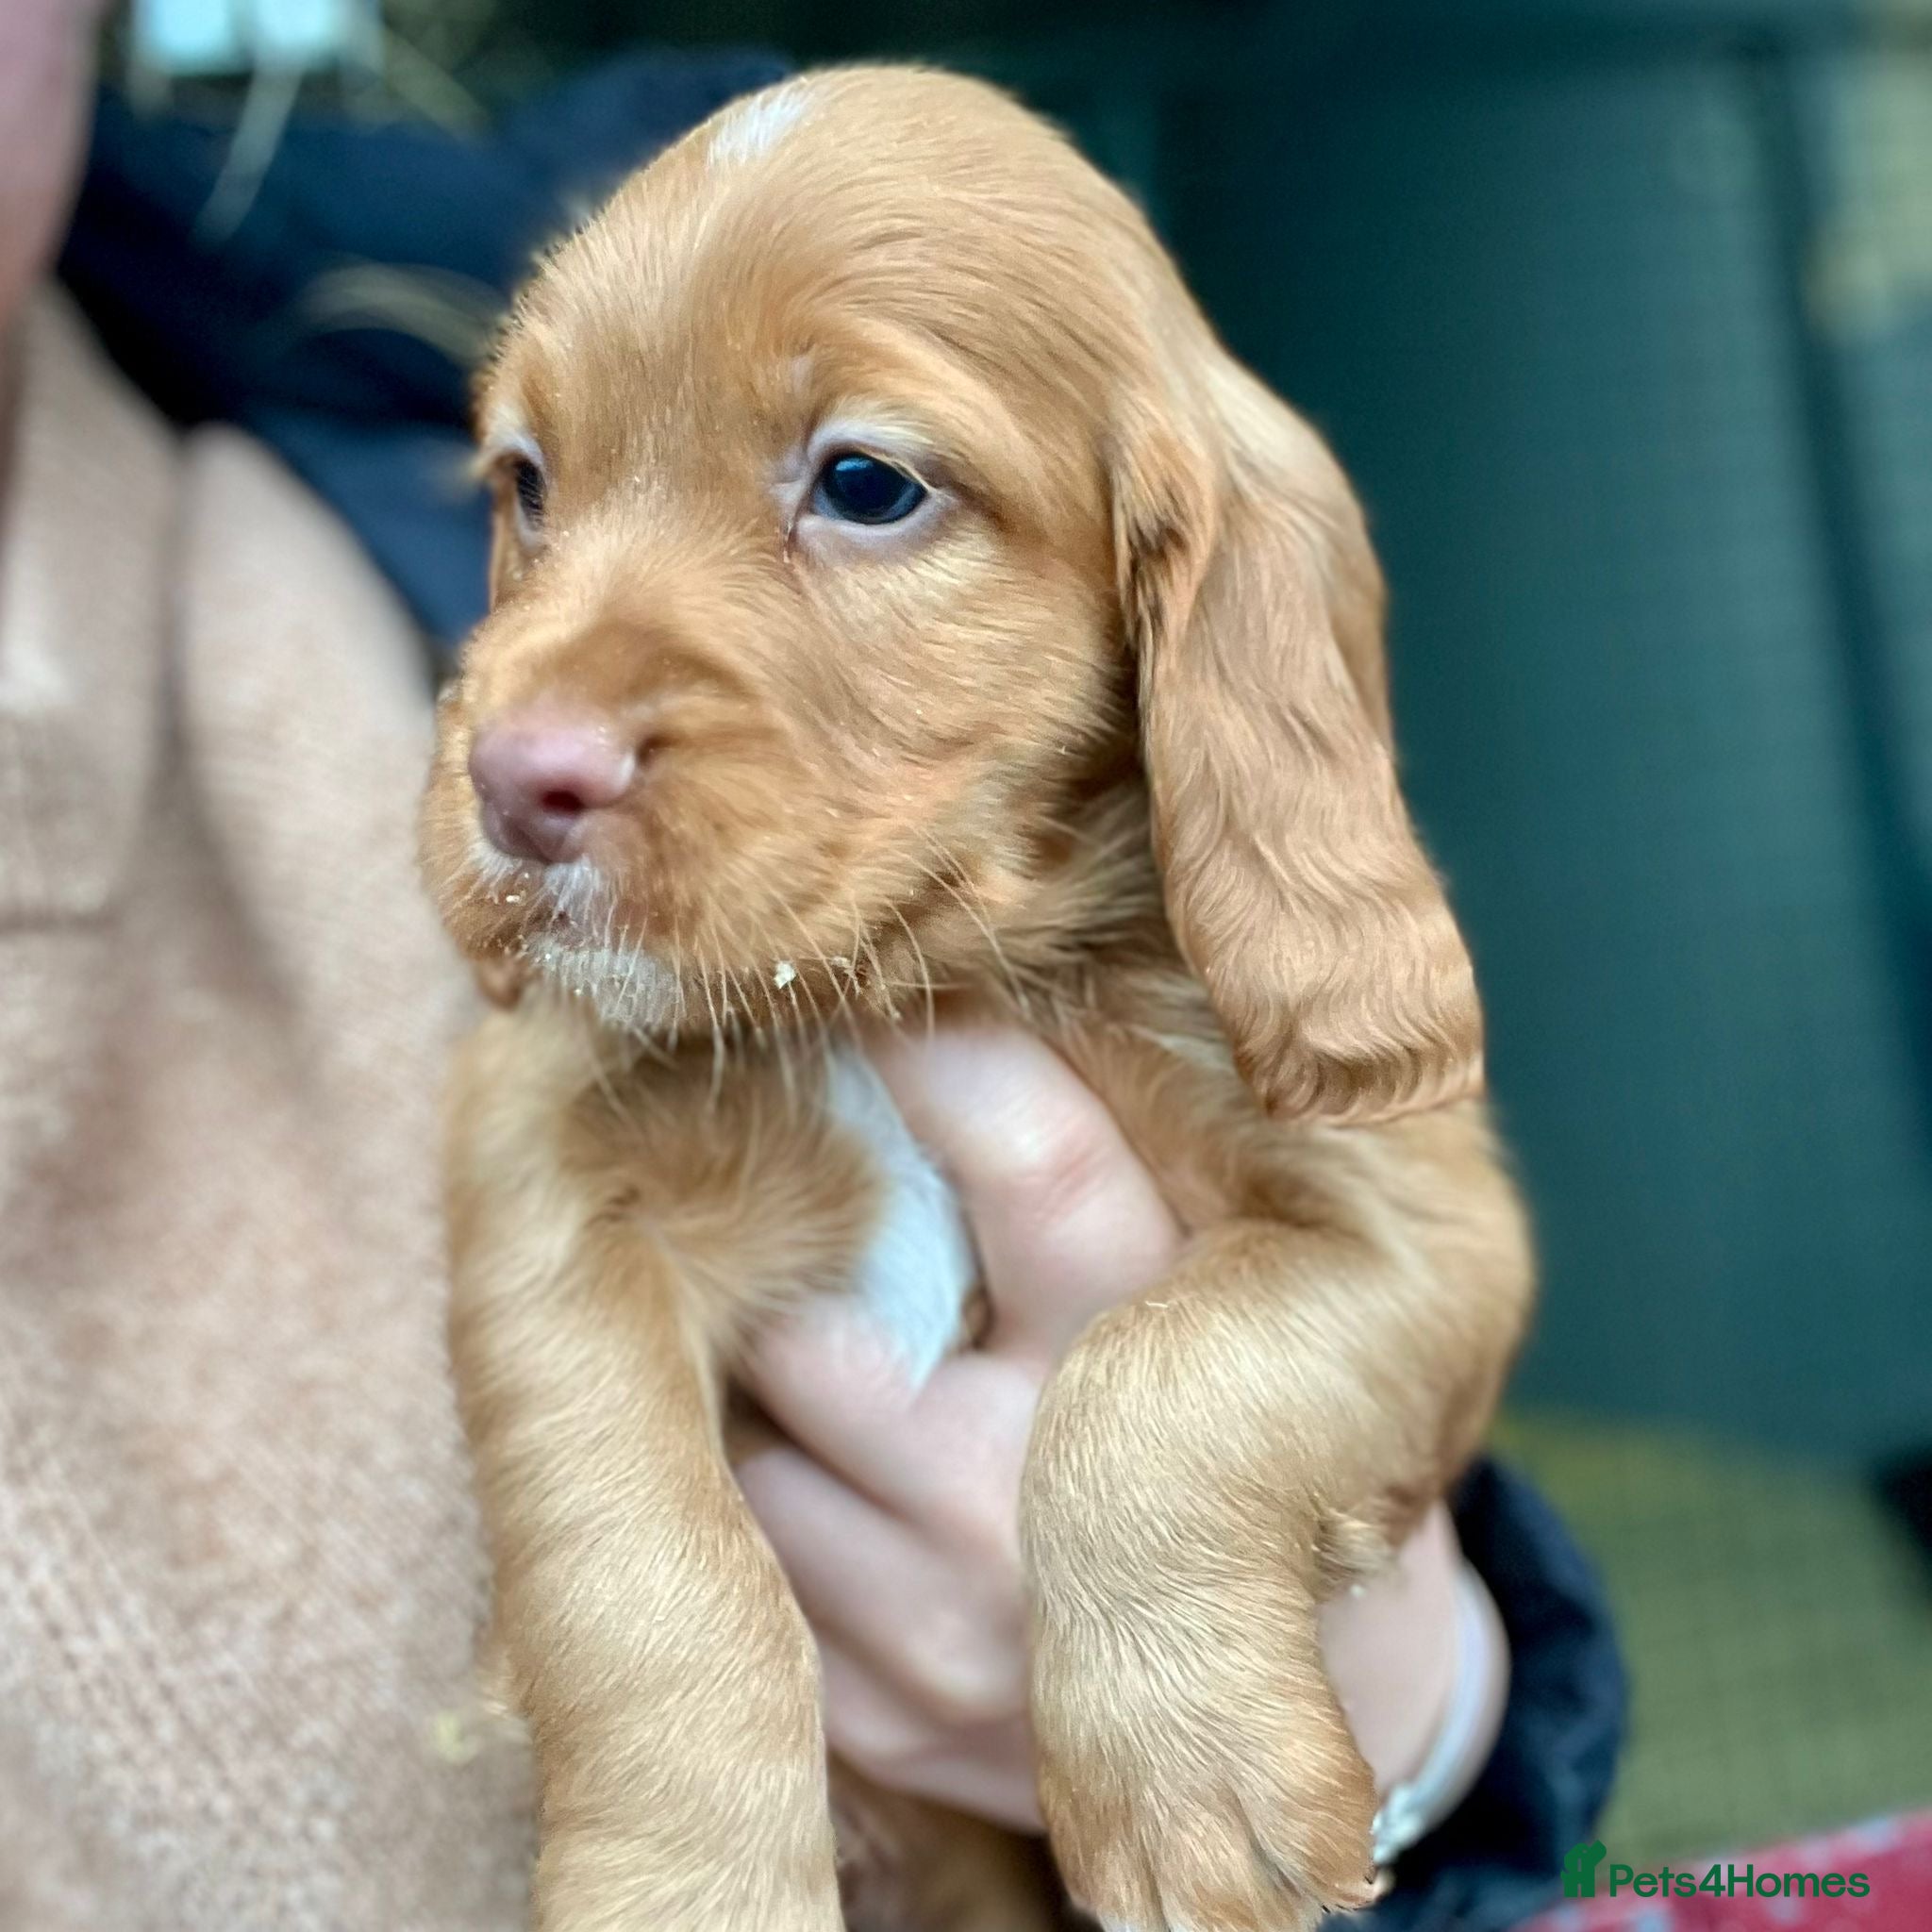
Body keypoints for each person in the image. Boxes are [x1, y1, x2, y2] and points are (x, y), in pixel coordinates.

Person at [2, 5, 1620, 1924]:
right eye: (531, 487)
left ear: (1179, 590)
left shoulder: (312, 467)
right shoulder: (599, 1010)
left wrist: (1413, 1724)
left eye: (862, 486)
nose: (537, 727)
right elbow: (570, 1241)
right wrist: (680, 1810)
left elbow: (1413, 1253)